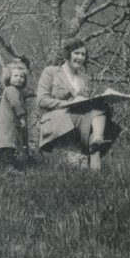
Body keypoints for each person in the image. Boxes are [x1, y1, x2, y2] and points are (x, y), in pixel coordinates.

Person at [34, 39, 119, 171]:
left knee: (102, 107)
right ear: (68, 54)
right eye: (76, 53)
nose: (80, 57)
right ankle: (96, 143)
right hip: (57, 119)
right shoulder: (51, 71)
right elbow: (41, 100)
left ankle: (96, 147)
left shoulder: (85, 78)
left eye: (83, 55)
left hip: (79, 119)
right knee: (94, 124)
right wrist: (67, 103)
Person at [0, 61, 29, 168]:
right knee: (8, 148)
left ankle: (2, 166)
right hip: (6, 128)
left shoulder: (14, 91)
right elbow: (16, 104)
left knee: (6, 148)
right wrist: (21, 117)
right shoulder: (11, 90)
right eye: (15, 75)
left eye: (22, 76)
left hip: (5, 128)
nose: (19, 78)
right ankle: (10, 169)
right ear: (9, 77)